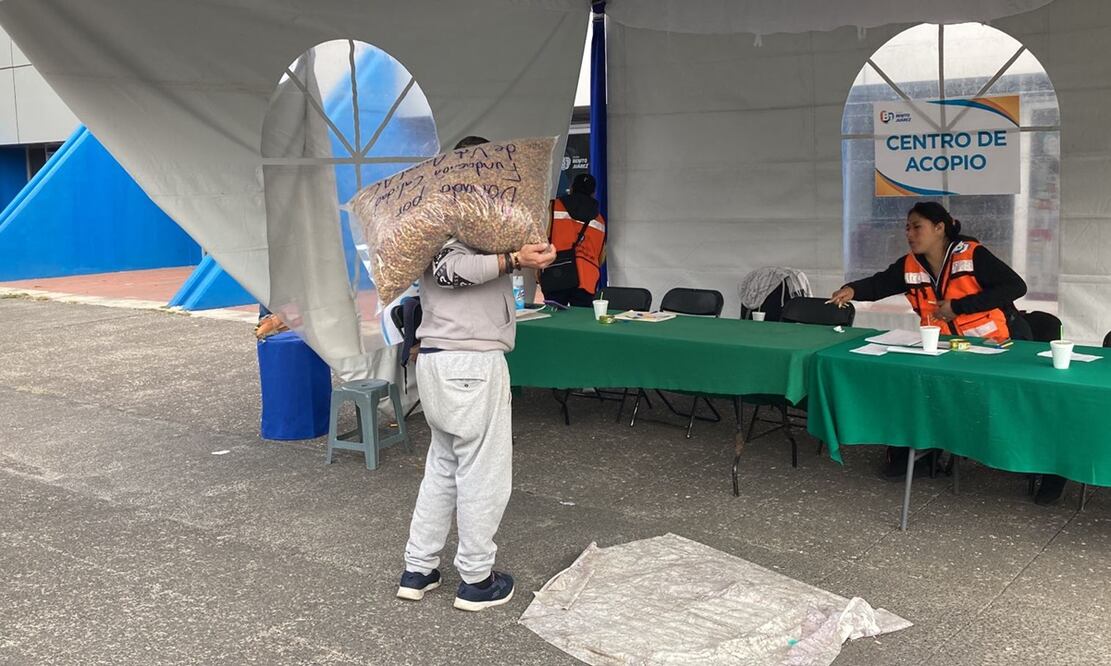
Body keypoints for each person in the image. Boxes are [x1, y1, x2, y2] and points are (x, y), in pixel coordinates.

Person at [396, 136, 557, 611]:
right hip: (470, 364)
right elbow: (450, 271)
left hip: (439, 360)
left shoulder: (447, 219)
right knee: (483, 475)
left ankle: (418, 569)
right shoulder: (450, 223)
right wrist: (514, 260)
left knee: (443, 468)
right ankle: (476, 579)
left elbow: (504, 277)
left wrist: (529, 261)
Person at [828, 202, 1064, 505]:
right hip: (948, 350)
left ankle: (1050, 469)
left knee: (1018, 405)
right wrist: (852, 290)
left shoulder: (972, 254)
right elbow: (880, 283)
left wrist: (959, 307)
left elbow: (1015, 286)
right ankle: (917, 458)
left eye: (917, 226)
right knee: (916, 390)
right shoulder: (910, 265)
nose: (909, 233)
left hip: (1000, 345)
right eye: (907, 227)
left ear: (940, 228)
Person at [542, 173, 606, 308]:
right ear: (593, 193)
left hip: (557, 272)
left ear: (571, 188)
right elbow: (601, 258)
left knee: (553, 319)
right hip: (587, 277)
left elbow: (542, 237)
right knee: (581, 323)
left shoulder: (554, 206)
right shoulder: (600, 220)